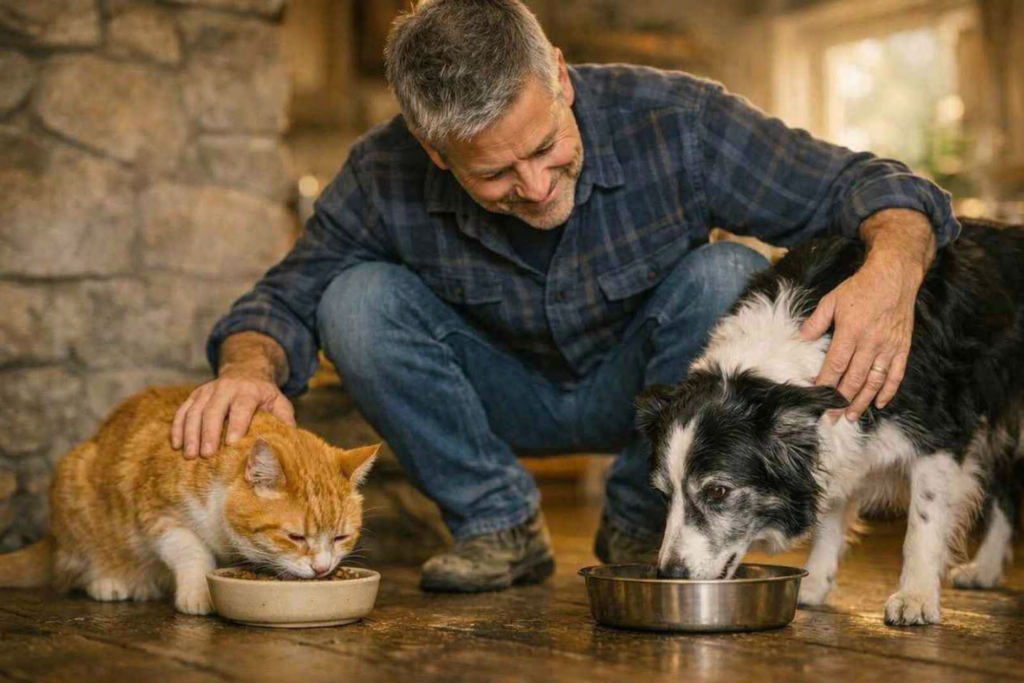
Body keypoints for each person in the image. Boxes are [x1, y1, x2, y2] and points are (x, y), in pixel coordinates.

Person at [171, 0, 958, 592]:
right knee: (353, 300)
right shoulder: (382, 171)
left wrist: (891, 268)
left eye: (546, 145)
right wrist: (248, 369)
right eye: (495, 174)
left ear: (559, 73)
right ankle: (499, 526)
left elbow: (868, 184)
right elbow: (287, 294)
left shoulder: (677, 122)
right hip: (495, 394)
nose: (538, 186)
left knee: (724, 273)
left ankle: (643, 522)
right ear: (435, 153)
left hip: (650, 394)